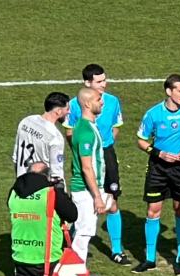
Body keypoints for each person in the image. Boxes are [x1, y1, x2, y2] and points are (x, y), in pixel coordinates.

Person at [133, 74, 180, 276]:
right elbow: (141, 140)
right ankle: (150, 259)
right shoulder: (153, 114)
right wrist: (158, 152)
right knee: (153, 211)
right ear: (169, 91)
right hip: (158, 168)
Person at [64, 64, 130, 265]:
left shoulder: (112, 101)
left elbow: (116, 126)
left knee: (112, 201)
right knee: (86, 208)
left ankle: (117, 249)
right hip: (87, 154)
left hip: (105, 153)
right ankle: (73, 252)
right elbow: (69, 132)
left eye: (104, 80)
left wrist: (103, 148)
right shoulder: (77, 105)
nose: (104, 85)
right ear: (87, 83)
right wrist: (86, 151)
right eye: (99, 82)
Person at [69, 88, 108, 276]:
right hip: (85, 192)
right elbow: (86, 167)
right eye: (98, 99)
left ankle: (79, 272)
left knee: (83, 232)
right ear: (86, 104)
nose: (102, 102)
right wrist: (97, 197)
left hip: (88, 190)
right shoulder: (84, 131)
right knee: (83, 235)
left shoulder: (88, 127)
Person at [12, 92, 70, 184]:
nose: (69, 112)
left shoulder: (26, 121)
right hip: (41, 190)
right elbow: (57, 175)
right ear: (58, 111)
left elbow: (16, 158)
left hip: (21, 185)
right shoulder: (55, 137)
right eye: (67, 109)